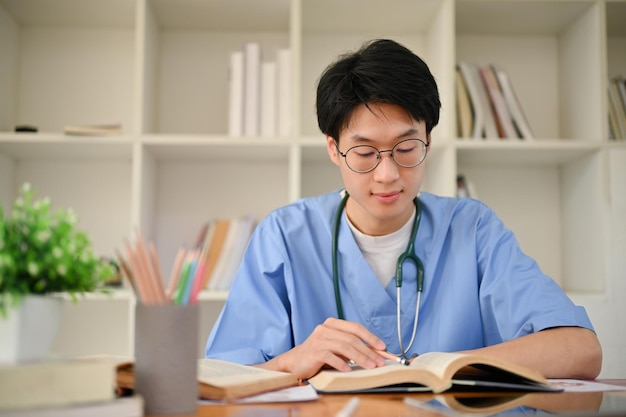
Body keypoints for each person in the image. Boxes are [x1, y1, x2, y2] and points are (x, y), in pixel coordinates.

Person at [205, 39, 602, 381]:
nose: (388, 174)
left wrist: (442, 368)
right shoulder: (284, 236)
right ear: (333, 149)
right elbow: (222, 377)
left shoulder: (472, 229)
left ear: (428, 139)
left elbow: (581, 350)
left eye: (407, 148)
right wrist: (295, 361)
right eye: (364, 153)